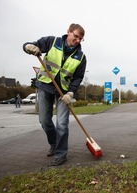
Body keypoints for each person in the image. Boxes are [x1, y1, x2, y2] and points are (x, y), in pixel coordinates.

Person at [23, 23, 87, 166]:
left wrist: (70, 93)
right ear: (68, 32)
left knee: (62, 124)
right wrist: (29, 47)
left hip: (63, 93)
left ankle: (61, 154)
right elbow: (31, 45)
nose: (77, 40)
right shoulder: (53, 42)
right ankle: (54, 144)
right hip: (45, 87)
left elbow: (77, 78)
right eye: (75, 36)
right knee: (44, 121)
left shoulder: (81, 57)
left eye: (80, 39)